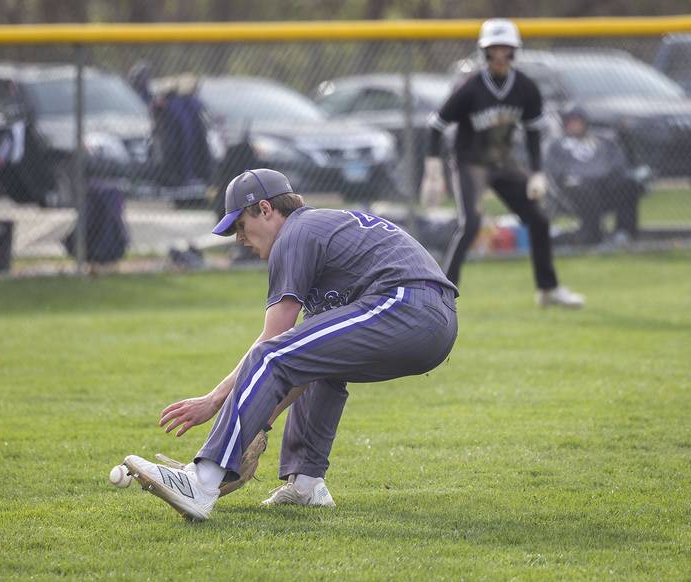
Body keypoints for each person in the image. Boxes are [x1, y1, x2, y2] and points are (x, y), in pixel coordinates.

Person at [121, 168, 459, 520]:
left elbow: (272, 344)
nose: (239, 239)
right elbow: (298, 364)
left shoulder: (295, 233)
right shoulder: (320, 231)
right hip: (433, 318)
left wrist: (213, 401)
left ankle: (201, 482)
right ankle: (307, 483)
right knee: (316, 363)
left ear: (265, 209)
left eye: (240, 225)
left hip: (405, 305)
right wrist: (259, 424)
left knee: (270, 354)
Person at [421, 18, 584, 308]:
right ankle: (443, 293)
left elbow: (534, 130)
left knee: (539, 219)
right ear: (483, 53)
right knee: (471, 224)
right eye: (493, 51)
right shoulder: (470, 87)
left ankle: (548, 290)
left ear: (514, 52)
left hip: (502, 163)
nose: (499, 57)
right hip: (470, 162)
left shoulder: (525, 87)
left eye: (505, 51)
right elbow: (436, 125)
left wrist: (537, 173)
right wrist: (433, 173)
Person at [545, 104, 647, 245]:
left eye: (578, 121)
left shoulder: (603, 140)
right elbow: (554, 171)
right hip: (576, 190)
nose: (574, 125)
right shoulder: (557, 145)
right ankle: (593, 236)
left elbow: (618, 164)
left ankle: (624, 233)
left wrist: (609, 176)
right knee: (579, 187)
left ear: (585, 122)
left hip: (606, 186)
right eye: (570, 121)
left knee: (628, 183)